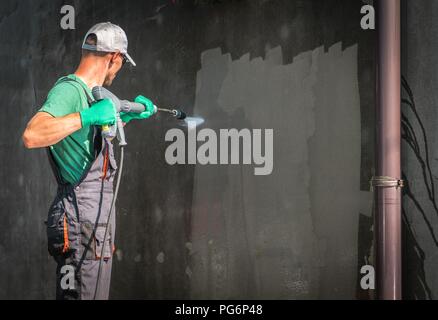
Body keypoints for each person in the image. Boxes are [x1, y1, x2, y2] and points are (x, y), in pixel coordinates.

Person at [22, 22, 156, 300]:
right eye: (121, 64)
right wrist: (88, 117)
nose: (118, 71)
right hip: (79, 216)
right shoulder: (69, 90)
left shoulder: (89, 95)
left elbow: (81, 144)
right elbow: (32, 134)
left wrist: (124, 118)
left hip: (93, 223)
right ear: (114, 57)